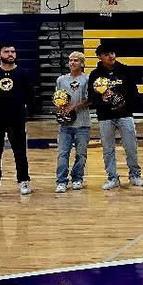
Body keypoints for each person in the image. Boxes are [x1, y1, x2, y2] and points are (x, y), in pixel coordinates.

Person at [88, 44, 143, 190]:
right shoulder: (94, 75)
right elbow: (91, 98)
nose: (111, 56)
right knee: (108, 148)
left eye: (112, 53)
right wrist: (102, 99)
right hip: (105, 116)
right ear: (99, 57)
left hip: (125, 114)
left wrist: (124, 102)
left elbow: (134, 92)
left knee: (131, 146)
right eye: (106, 54)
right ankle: (112, 177)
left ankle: (135, 175)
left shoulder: (125, 70)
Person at [0, 42, 33, 197]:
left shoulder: (24, 73)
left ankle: (24, 181)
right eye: (6, 51)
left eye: (13, 51)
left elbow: (29, 95)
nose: (10, 54)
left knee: (20, 151)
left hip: (16, 117)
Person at [54, 51, 90, 193]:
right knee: (63, 153)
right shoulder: (61, 80)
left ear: (82, 63)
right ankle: (61, 181)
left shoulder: (87, 79)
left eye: (76, 60)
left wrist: (74, 107)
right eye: (70, 60)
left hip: (82, 123)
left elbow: (90, 99)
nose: (72, 63)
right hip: (65, 125)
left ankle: (77, 178)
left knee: (81, 154)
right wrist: (61, 109)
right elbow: (58, 98)